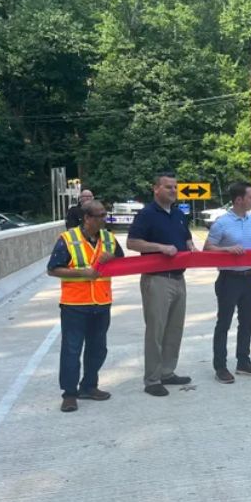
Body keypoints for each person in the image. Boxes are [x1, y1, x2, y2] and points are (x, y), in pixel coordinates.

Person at [48, 200, 123, 412]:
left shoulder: (109, 238)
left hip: (101, 303)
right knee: (72, 349)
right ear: (87, 218)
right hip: (75, 304)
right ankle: (70, 394)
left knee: (98, 349)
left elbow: (121, 264)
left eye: (104, 215)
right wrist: (82, 272)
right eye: (99, 216)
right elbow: (53, 269)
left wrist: (112, 260)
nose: (103, 219)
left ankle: (89, 386)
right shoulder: (68, 239)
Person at [127, 173, 196, 397]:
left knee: (175, 328)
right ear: (155, 189)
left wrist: (191, 246)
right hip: (156, 279)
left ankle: (167, 371)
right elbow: (132, 242)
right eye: (168, 187)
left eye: (175, 187)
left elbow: (186, 238)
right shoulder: (146, 214)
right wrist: (160, 247)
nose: (173, 191)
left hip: (178, 278)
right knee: (156, 330)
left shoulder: (178, 214)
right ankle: (152, 379)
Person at [204, 181, 251, 383]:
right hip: (228, 279)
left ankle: (243, 361)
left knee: (247, 322)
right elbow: (207, 248)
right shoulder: (222, 223)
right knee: (224, 323)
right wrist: (226, 249)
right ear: (239, 199)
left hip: (249, 278)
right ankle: (221, 367)